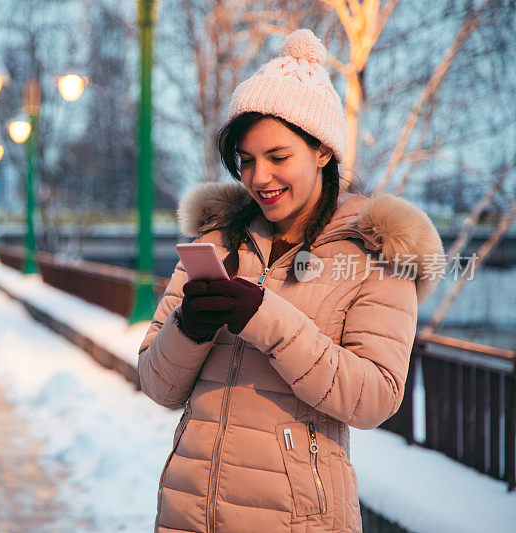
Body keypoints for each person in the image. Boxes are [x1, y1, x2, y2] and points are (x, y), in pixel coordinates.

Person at [138, 29, 446, 533]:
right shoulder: (217, 242)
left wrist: (264, 319)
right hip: (189, 513)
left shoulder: (377, 250)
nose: (260, 178)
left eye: (278, 157)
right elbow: (156, 383)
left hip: (300, 521)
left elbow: (374, 398)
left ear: (322, 151)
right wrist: (189, 325)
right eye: (247, 161)